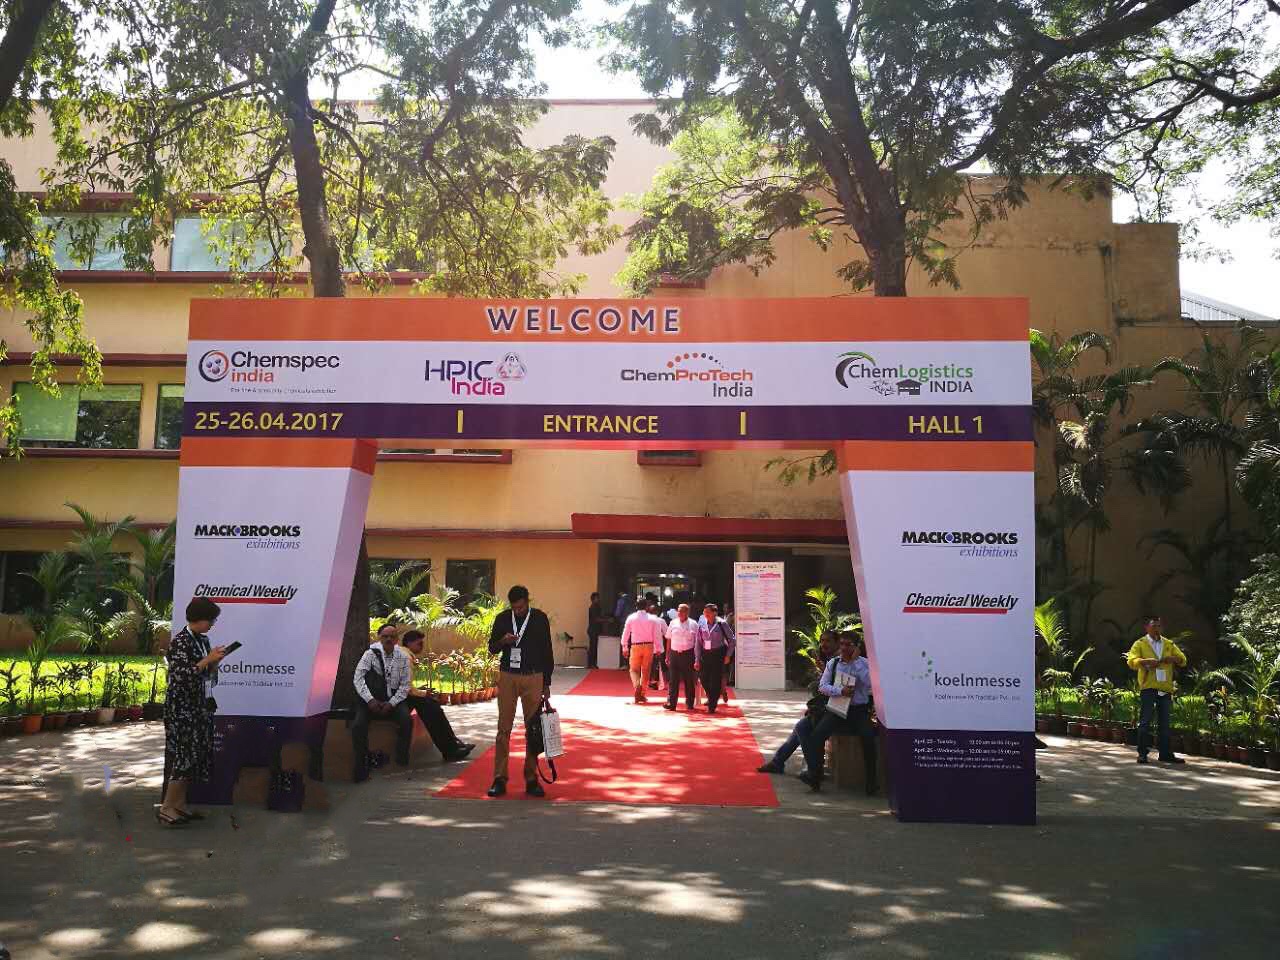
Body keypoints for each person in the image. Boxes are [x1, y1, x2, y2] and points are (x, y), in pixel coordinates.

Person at [157, 596, 228, 826]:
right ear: (199, 618)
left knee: (195, 756)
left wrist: (213, 663)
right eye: (210, 620)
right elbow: (181, 677)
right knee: (183, 755)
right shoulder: (180, 642)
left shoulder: (203, 640)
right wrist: (207, 660)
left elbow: (206, 675)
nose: (212, 624)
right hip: (182, 709)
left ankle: (179, 805)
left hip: (199, 706)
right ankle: (167, 807)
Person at [487, 585, 555, 797]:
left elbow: (547, 650)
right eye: (514, 608)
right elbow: (492, 648)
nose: (518, 611)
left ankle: (531, 778)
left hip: (533, 676)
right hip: (508, 675)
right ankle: (499, 778)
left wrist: (546, 683)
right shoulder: (503, 619)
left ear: (527, 601)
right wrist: (503, 641)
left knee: (532, 729)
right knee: (503, 728)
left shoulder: (539, 618)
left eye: (521, 607)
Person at [800, 632, 878, 794]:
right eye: (841, 644)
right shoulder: (834, 663)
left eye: (848, 644)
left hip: (858, 710)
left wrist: (854, 663)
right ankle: (815, 776)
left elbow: (870, 683)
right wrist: (840, 691)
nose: (843, 648)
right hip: (838, 708)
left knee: (868, 739)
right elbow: (823, 687)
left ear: (856, 647)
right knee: (817, 735)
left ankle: (872, 782)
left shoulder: (864, 663)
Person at [757, 631, 839, 774]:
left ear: (836, 643)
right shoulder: (829, 661)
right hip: (825, 708)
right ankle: (779, 763)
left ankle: (813, 769)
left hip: (835, 711)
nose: (823, 644)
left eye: (827, 641)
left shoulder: (839, 662)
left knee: (801, 727)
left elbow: (832, 688)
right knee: (800, 728)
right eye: (822, 641)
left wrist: (824, 675)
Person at [351, 623, 415, 782]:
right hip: (369, 699)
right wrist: (370, 700)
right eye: (385, 636)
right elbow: (358, 679)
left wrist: (392, 703)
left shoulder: (402, 657)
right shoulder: (370, 654)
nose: (388, 639)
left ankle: (401, 759)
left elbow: (405, 685)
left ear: (397, 639)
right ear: (379, 638)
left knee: (406, 721)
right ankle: (361, 764)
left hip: (392, 699)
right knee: (358, 726)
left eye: (392, 637)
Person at [401, 631, 475, 762]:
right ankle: (450, 750)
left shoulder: (403, 654)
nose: (422, 646)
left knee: (433, 706)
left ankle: (453, 744)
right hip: (397, 699)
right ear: (409, 643)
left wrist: (422, 692)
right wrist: (424, 693)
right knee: (431, 708)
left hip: (400, 695)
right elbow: (407, 689)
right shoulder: (405, 657)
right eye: (419, 643)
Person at [1127, 616, 1188, 765]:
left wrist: (1174, 659)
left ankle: (1165, 753)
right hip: (1148, 686)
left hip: (1165, 687)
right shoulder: (1140, 643)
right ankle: (1142, 754)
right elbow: (1131, 661)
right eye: (1154, 626)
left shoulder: (1168, 643)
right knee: (1145, 721)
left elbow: (1183, 660)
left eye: (1159, 626)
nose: (1157, 629)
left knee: (1164, 723)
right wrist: (1145, 661)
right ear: (1146, 627)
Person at [621, 594, 665, 704]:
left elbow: (626, 633)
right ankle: (642, 694)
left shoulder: (631, 617)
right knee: (646, 671)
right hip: (649, 646)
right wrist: (658, 648)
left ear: (636, 606)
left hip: (636, 645)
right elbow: (657, 635)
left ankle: (637, 686)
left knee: (633, 669)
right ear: (647, 607)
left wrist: (624, 646)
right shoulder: (653, 619)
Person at [696, 603, 735, 713]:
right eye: (704, 612)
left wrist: (728, 655)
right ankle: (712, 696)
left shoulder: (722, 624)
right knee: (703, 678)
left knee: (715, 680)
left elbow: (732, 640)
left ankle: (712, 706)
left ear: (715, 613)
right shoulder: (701, 623)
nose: (706, 614)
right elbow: (698, 643)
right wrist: (697, 659)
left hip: (718, 654)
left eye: (708, 612)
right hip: (705, 654)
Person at [663, 603, 700, 711]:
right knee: (673, 680)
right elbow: (668, 639)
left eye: (682, 611)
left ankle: (690, 703)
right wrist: (667, 655)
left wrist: (697, 658)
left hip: (688, 654)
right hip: (674, 654)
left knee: (689, 680)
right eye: (678, 611)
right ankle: (671, 703)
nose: (679, 613)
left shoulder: (693, 624)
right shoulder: (673, 623)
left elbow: (698, 642)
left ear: (687, 612)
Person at [586, 592, 605, 669]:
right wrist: (606, 620)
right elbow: (596, 619)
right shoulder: (593, 607)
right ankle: (591, 664)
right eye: (597, 598)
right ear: (594, 599)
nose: (599, 599)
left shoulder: (596, 607)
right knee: (593, 647)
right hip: (593, 630)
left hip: (594, 630)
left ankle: (592, 663)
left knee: (594, 647)